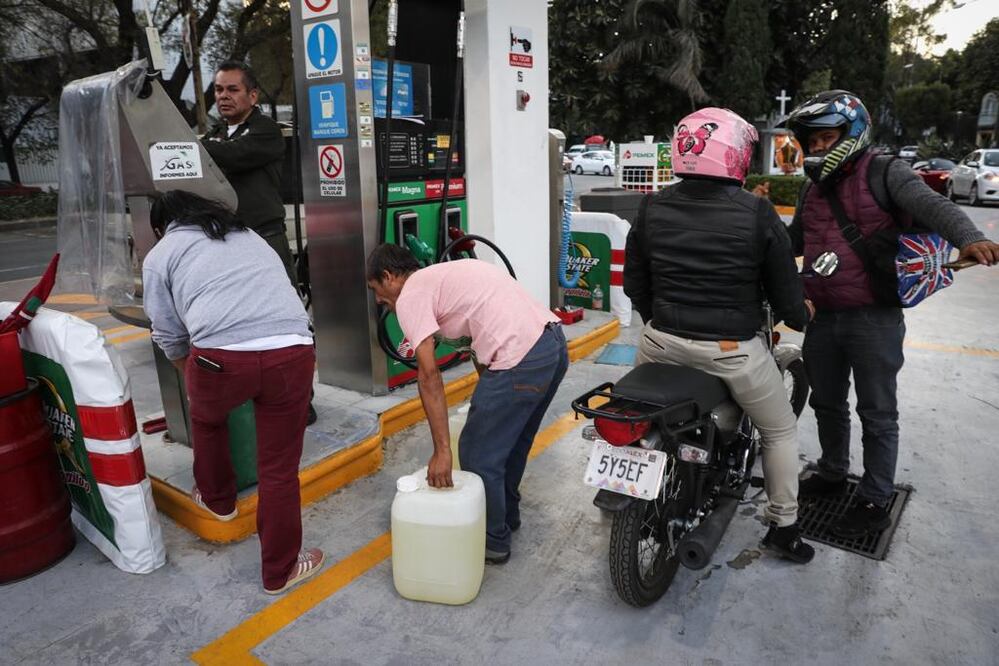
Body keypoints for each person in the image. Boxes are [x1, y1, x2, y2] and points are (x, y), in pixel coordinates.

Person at [786, 90, 999, 538]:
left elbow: (933, 205)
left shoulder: (886, 171)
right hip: (822, 315)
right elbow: (793, 243)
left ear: (852, 132)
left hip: (873, 318)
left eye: (828, 137)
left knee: (878, 412)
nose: (820, 148)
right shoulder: (811, 187)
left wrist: (969, 236)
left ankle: (875, 496)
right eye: (814, 141)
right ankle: (831, 470)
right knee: (826, 403)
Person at [624, 107, 815, 563]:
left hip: (659, 343)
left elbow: (635, 284)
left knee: (640, 416)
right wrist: (801, 315)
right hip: (732, 352)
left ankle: (626, 491)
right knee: (780, 431)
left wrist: (664, 322)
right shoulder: (756, 212)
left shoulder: (651, 206)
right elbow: (786, 293)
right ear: (737, 155)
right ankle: (783, 526)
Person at [143, 190, 323, 594]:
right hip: (291, 350)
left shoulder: (162, 253)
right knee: (278, 470)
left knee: (206, 421)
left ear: (161, 226)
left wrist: (190, 374)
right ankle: (280, 572)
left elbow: (168, 330)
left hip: (218, 359)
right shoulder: (250, 235)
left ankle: (218, 501)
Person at [366, 245, 568, 564]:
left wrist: (442, 450)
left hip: (521, 356)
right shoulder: (444, 276)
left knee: (476, 452)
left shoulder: (410, 295)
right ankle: (506, 517)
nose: (378, 300)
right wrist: (489, 395)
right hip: (552, 345)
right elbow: (480, 338)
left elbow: (429, 376)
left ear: (389, 278)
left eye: (376, 290)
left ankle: (492, 539)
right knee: (511, 443)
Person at [202, 60, 317, 425]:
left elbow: (232, 158)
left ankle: (303, 399)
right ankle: (260, 394)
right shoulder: (216, 134)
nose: (224, 96)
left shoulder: (265, 132)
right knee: (243, 320)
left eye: (232, 89)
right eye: (219, 90)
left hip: (266, 241)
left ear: (252, 95)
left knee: (285, 319)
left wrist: (193, 148)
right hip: (228, 244)